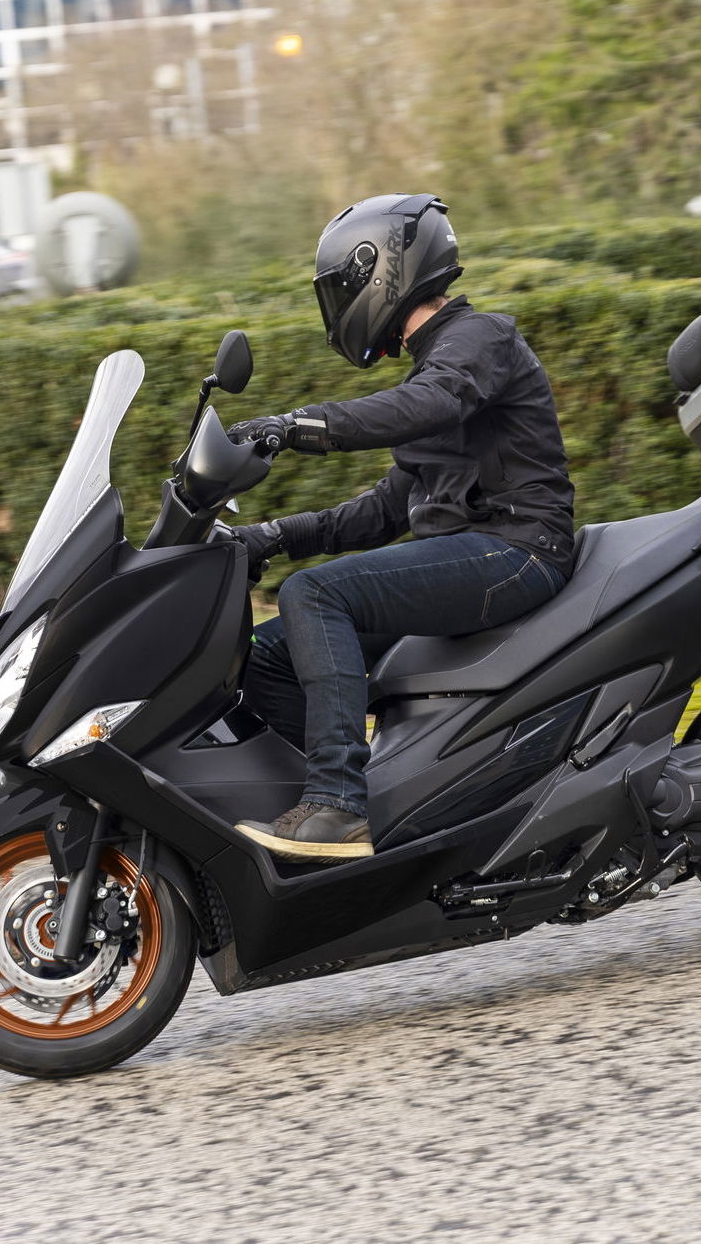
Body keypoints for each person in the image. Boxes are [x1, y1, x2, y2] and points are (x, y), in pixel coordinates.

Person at [228, 192, 575, 862]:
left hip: (518, 550)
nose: (338, 305)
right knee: (266, 655)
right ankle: (360, 803)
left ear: (381, 270)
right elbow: (386, 508)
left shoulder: (478, 341)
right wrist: (273, 535)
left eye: (341, 288)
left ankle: (337, 805)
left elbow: (429, 402)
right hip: (468, 553)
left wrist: (302, 423)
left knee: (315, 594)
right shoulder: (438, 367)